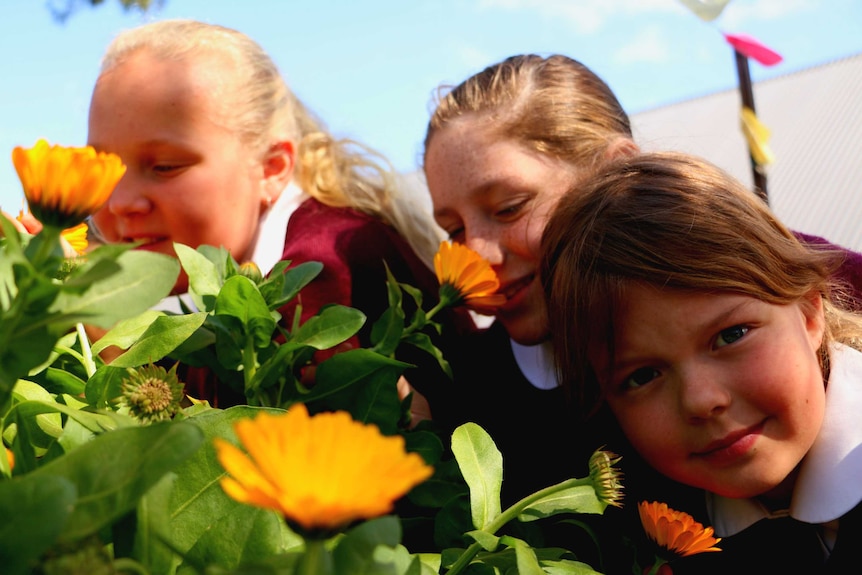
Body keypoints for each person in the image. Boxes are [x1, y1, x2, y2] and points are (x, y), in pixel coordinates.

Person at [420, 53, 862, 510]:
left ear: (618, 169)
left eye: (510, 206)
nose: (478, 254)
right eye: (453, 229)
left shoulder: (806, 273)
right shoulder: (462, 395)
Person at [85, 19, 463, 412]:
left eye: (164, 166)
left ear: (271, 168)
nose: (120, 202)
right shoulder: (199, 278)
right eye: (103, 167)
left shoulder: (324, 276)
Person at [542, 150, 862, 573]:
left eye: (731, 335)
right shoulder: (630, 537)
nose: (700, 400)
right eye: (642, 376)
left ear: (808, 311)